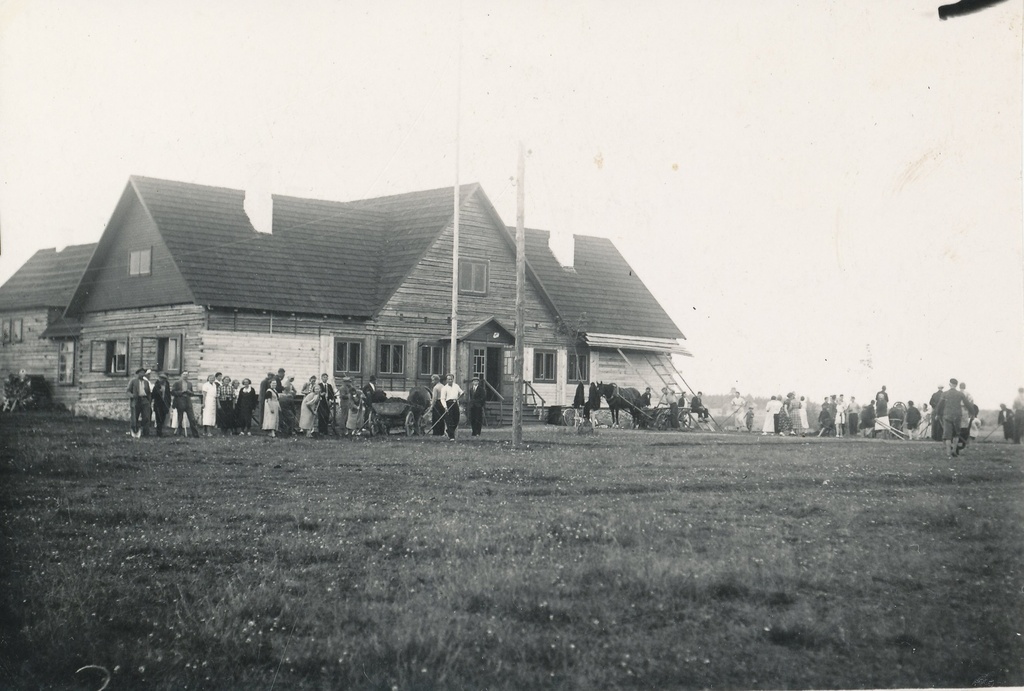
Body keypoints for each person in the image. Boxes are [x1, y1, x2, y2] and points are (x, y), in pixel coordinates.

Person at [938, 378, 969, 458]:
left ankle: (948, 453)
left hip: (947, 415)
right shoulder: (960, 394)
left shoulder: (945, 394)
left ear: (950, 384)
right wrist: (972, 412)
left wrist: (938, 414)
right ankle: (954, 451)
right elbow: (967, 404)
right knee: (956, 434)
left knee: (948, 435)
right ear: (956, 385)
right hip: (957, 415)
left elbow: (940, 405)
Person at [171, 371, 200, 437]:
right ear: (181, 375)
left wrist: (190, 392)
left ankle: (195, 434)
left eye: (186, 375)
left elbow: (192, 393)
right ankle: (179, 433)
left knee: (192, 418)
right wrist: (181, 392)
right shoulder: (177, 383)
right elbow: (173, 392)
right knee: (180, 418)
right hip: (180, 401)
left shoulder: (189, 383)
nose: (185, 376)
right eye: (184, 374)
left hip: (188, 401)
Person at [126, 368, 153, 438]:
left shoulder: (146, 382)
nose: (142, 374)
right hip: (136, 400)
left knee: (146, 417)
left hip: (145, 400)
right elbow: (128, 391)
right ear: (137, 374)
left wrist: (149, 401)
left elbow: (149, 393)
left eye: (143, 373)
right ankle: (134, 431)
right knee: (135, 417)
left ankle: (146, 432)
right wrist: (132, 396)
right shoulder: (133, 381)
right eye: (141, 373)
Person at [440, 373, 464, 440]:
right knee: (449, 420)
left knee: (456, 419)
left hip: (455, 403)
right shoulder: (444, 388)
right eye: (448, 379)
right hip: (448, 403)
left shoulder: (456, 386)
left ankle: (449, 431)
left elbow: (461, 392)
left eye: (451, 379)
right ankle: (451, 436)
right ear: (446, 380)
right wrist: (445, 407)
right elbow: (442, 399)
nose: (450, 380)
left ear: (453, 379)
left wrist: (462, 394)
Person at [152, 372, 172, 437]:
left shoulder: (167, 385)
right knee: (158, 419)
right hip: (158, 404)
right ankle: (159, 433)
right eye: (161, 378)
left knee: (163, 418)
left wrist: (169, 403)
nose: (162, 380)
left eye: (164, 379)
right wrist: (159, 392)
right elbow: (153, 395)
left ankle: (160, 431)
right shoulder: (156, 385)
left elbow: (168, 394)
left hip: (165, 404)